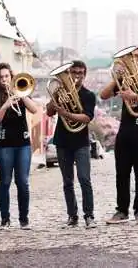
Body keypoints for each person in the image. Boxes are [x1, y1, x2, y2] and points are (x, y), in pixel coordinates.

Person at [100, 45, 138, 224]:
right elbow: (103, 95)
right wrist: (116, 77)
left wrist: (134, 97)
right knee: (122, 173)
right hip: (125, 131)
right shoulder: (124, 79)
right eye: (134, 56)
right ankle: (121, 211)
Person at [0, 63, 37, 230]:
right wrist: (5, 105)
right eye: (1, 77)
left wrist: (20, 94)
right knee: (5, 182)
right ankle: (5, 219)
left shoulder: (20, 91)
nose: (4, 80)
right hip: (4, 144)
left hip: (22, 143)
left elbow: (34, 109)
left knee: (23, 182)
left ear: (11, 76)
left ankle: (24, 219)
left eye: (7, 76)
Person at [46, 60, 97, 228]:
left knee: (84, 179)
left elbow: (87, 118)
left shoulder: (89, 95)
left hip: (81, 141)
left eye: (80, 73)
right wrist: (54, 101)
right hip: (62, 141)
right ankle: (72, 216)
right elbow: (49, 112)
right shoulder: (61, 92)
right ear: (68, 74)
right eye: (74, 72)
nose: (77, 76)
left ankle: (89, 215)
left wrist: (66, 113)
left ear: (85, 75)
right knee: (67, 181)